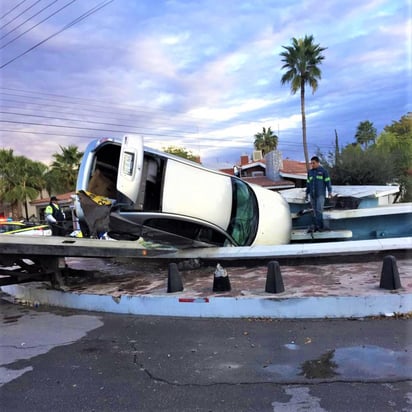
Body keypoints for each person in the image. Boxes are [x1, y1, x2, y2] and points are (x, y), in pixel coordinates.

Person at [305, 156, 332, 232]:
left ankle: (320, 226)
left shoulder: (323, 171)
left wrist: (329, 191)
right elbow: (308, 183)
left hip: (320, 194)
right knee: (314, 211)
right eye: (311, 163)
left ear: (318, 163)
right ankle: (315, 226)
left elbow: (328, 182)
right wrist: (307, 193)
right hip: (312, 195)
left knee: (319, 210)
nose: (312, 165)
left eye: (313, 163)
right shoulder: (310, 172)